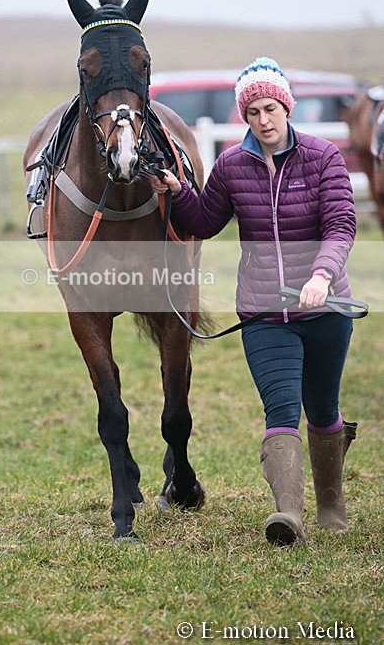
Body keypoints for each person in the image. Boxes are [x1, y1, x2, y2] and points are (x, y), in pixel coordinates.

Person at [151, 57, 357, 546]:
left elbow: (341, 224)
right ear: (244, 116)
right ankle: (289, 515)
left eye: (270, 109)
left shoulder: (323, 157)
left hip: (325, 309)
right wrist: (179, 191)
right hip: (265, 313)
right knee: (280, 412)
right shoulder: (231, 166)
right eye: (253, 112)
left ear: (287, 107)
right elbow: (204, 222)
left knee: (322, 409)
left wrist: (322, 275)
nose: (263, 120)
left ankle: (331, 505)